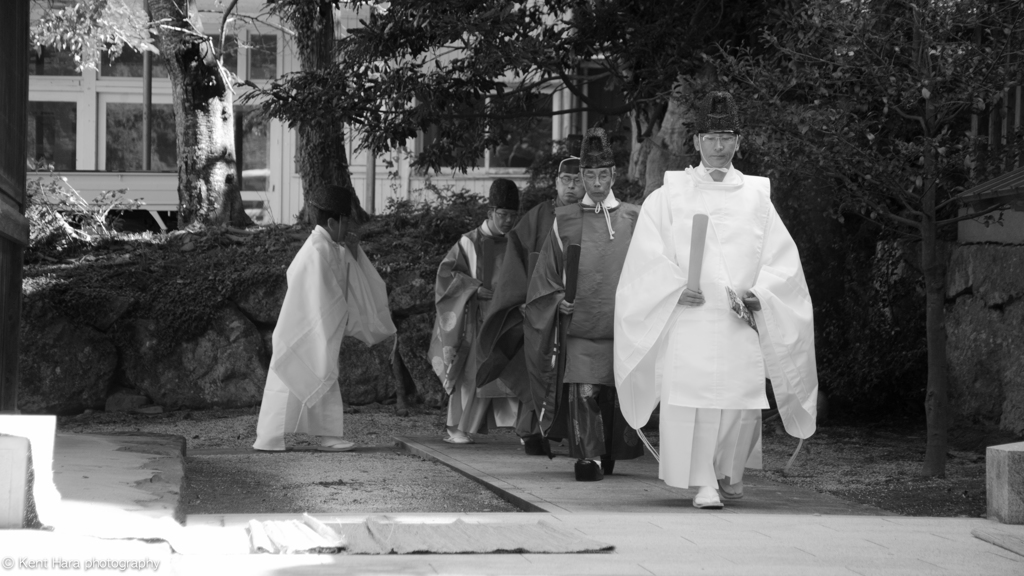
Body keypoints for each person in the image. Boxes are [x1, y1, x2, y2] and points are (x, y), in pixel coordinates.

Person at [614, 91, 819, 508]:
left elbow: (783, 262)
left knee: (741, 403)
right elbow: (646, 258)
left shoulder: (758, 198)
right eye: (711, 137)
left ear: (739, 142)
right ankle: (704, 480)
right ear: (697, 142)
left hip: (737, 317)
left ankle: (729, 471)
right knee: (696, 401)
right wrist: (674, 287)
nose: (719, 146)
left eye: (727, 137)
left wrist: (762, 292)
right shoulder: (669, 195)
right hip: (689, 317)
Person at [524, 127, 645, 481]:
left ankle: (609, 453)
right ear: (580, 177)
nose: (595, 182)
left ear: (614, 175)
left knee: (614, 394)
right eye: (588, 175)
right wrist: (557, 300)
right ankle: (588, 456)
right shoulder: (566, 219)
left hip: (622, 325)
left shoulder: (634, 218)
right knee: (583, 390)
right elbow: (545, 275)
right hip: (579, 326)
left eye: (601, 174)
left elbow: (652, 270)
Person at [254, 184, 396, 452]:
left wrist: (353, 251)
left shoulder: (327, 245)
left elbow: (341, 281)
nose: (350, 227)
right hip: (304, 328)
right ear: (332, 222)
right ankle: (272, 437)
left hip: (313, 326)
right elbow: (324, 294)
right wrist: (337, 318)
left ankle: (318, 435)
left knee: (318, 374)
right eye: (346, 221)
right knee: (303, 376)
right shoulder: (318, 249)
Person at [476, 155, 583, 455]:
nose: (572, 187)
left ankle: (573, 431)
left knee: (574, 371)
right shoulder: (538, 217)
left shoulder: (593, 217)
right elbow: (516, 256)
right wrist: (524, 299)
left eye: (578, 181)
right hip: (540, 308)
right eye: (566, 181)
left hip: (577, 309)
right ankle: (530, 430)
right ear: (556, 183)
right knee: (536, 366)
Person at [429, 179, 522, 444]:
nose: (507, 221)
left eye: (512, 216)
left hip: (509, 316)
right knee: (471, 373)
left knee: (515, 369)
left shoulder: (517, 242)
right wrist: (473, 288)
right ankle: (456, 428)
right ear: (490, 212)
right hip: (475, 318)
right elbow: (445, 276)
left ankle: (524, 428)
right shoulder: (468, 242)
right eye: (503, 215)